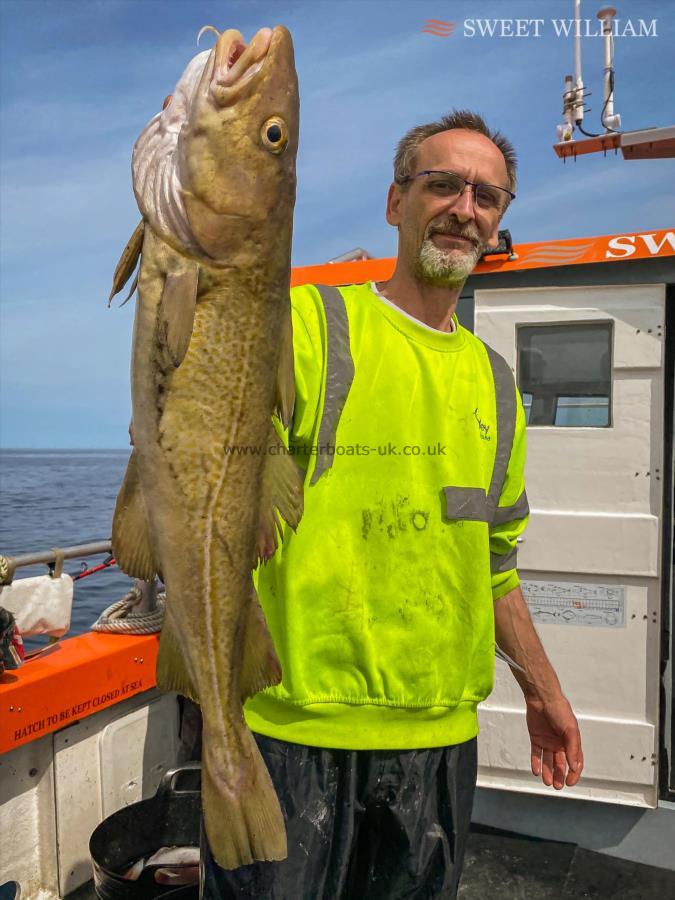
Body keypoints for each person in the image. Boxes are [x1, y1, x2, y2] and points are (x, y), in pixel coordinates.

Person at [202, 110, 584, 899]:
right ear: (394, 203)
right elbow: (201, 401)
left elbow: (493, 565)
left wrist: (543, 693)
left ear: (498, 220)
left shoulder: (495, 384)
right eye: (440, 183)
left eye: (486, 195)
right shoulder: (313, 325)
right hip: (288, 735)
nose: (463, 207)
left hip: (438, 744)